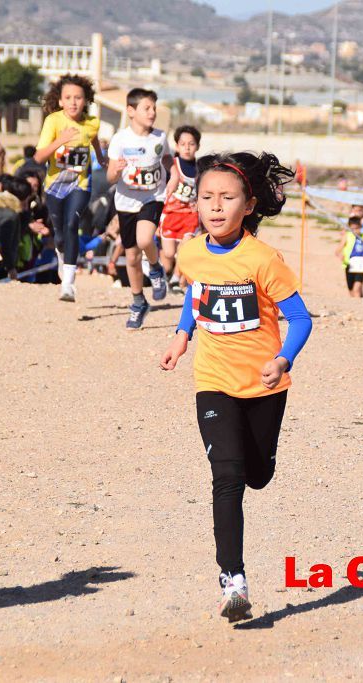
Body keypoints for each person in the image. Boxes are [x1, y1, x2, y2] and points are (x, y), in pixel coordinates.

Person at [159, 151, 313, 623]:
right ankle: (234, 580)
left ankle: (259, 464)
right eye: (207, 198)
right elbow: (195, 291)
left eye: (227, 198)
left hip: (265, 385)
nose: (216, 206)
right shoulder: (190, 252)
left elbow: (301, 318)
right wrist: (183, 336)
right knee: (225, 475)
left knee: (257, 475)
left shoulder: (263, 260)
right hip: (214, 382)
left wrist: (283, 357)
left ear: (249, 205)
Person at [34, 73, 105, 301]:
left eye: (78, 97)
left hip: (80, 184)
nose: (73, 102)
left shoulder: (92, 123)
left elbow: (92, 139)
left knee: (72, 224)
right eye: (68, 97)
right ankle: (61, 253)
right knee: (60, 236)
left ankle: (69, 283)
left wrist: (101, 158)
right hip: (55, 185)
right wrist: (60, 141)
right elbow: (38, 157)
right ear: (60, 100)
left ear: (86, 100)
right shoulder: (53, 121)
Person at [107, 87, 172, 328]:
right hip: (126, 203)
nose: (152, 112)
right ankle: (138, 302)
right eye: (147, 108)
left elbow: (167, 158)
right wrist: (117, 170)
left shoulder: (160, 137)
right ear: (131, 111)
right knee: (131, 257)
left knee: (145, 240)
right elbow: (110, 177)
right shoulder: (120, 139)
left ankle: (155, 268)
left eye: (154, 107)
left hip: (152, 198)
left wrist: (172, 175)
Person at [159, 125, 201, 293]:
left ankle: (177, 279)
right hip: (170, 214)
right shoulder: (172, 165)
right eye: (183, 144)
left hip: (190, 215)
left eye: (191, 144)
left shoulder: (201, 168)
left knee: (186, 247)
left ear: (197, 146)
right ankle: (167, 273)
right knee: (169, 254)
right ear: (176, 146)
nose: (187, 148)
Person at [337, 215, 363, 298]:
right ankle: (358, 304)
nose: (355, 231)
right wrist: (340, 255)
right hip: (350, 265)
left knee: (357, 288)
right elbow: (337, 250)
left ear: (361, 227)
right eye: (352, 229)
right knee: (351, 289)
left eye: (357, 228)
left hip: (362, 265)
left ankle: (360, 307)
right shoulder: (347, 236)